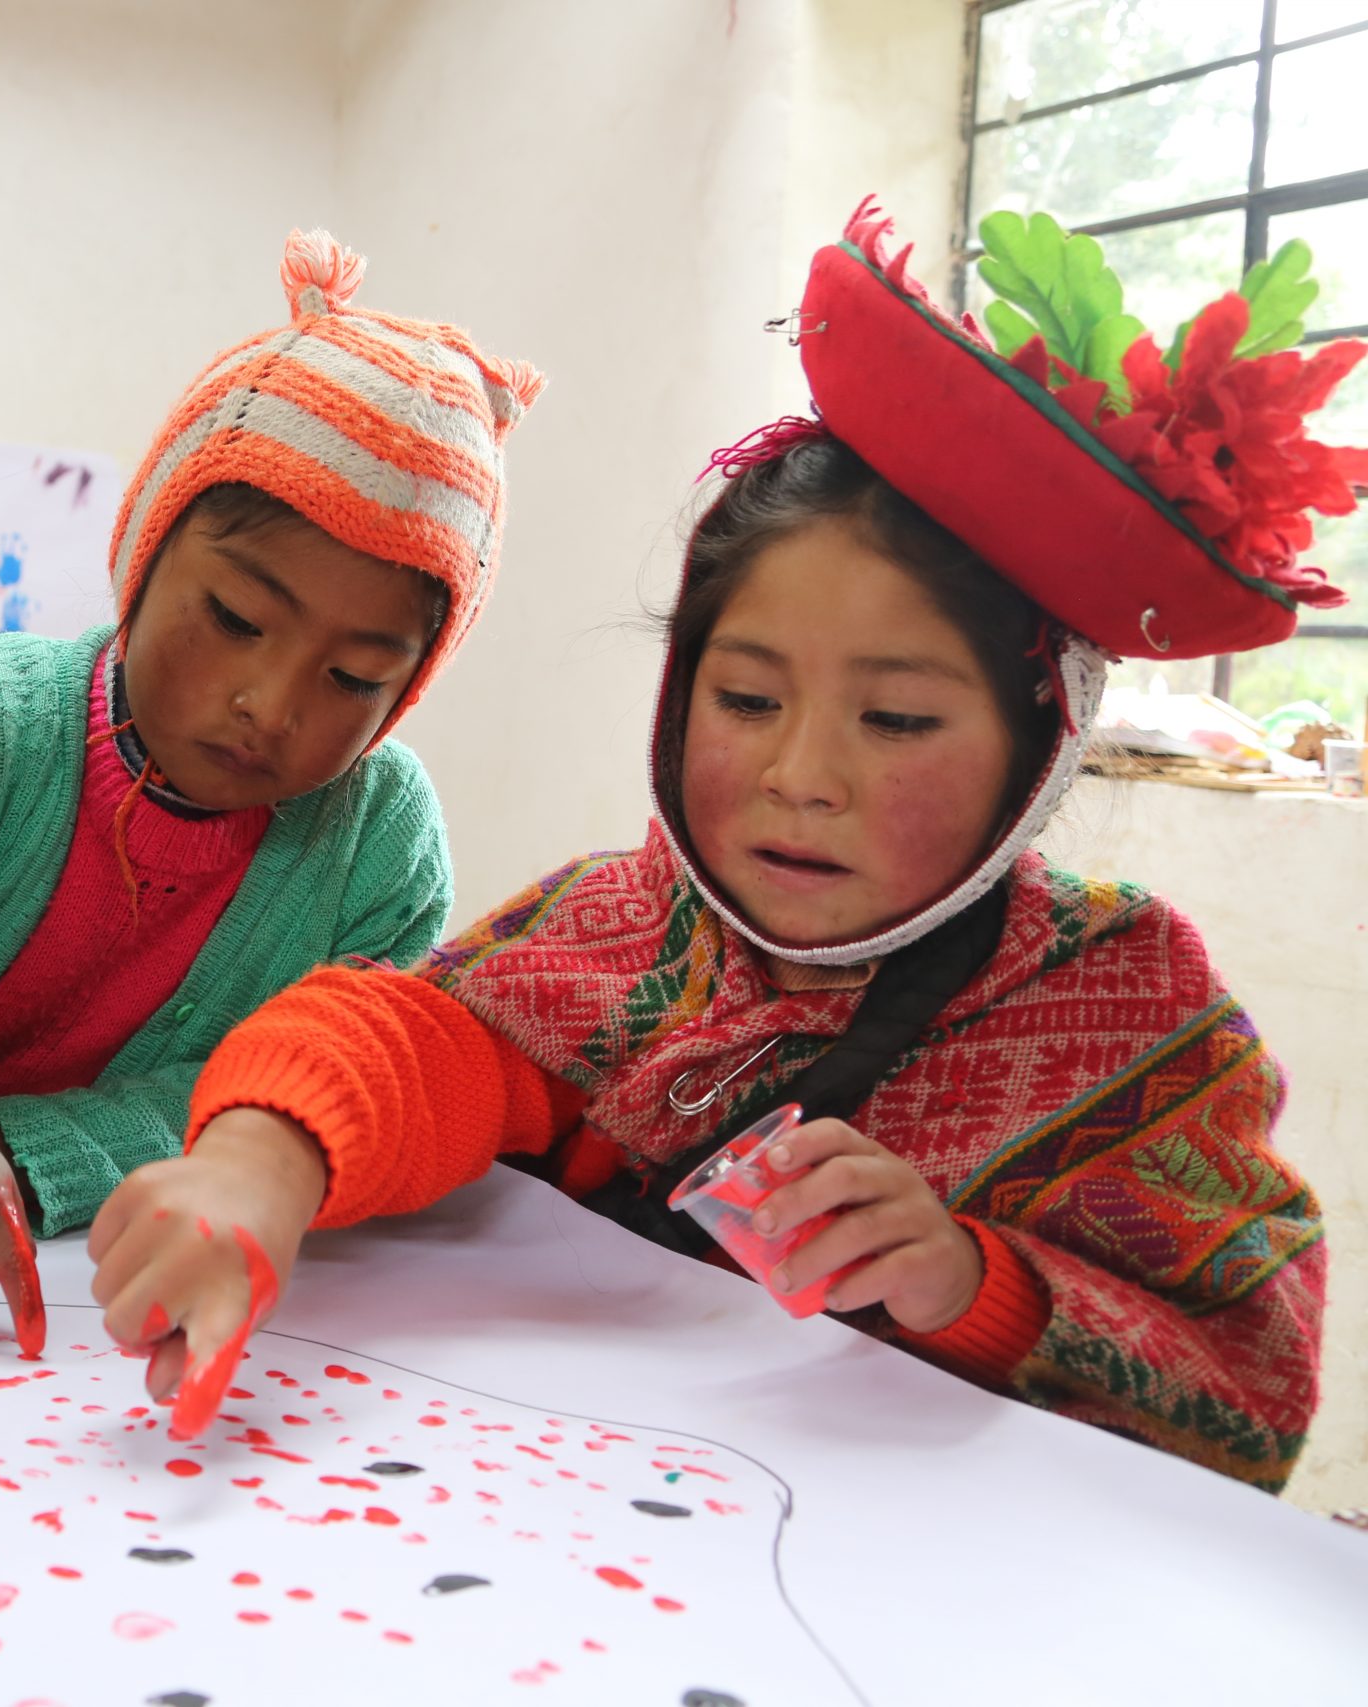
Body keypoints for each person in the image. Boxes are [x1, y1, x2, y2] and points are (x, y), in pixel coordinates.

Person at [91, 201, 1347, 1492]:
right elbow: (403, 1041)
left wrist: (975, 1283)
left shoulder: (1126, 1001)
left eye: (899, 718)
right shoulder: (614, 928)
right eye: (746, 700)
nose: (801, 778)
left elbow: (1251, 1388)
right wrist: (258, 1160)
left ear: (1040, 746)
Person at [0, 230, 544, 1331]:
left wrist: (20, 1151)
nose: (271, 704)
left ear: (409, 689)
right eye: (235, 619)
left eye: (354, 675)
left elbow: (293, 1092)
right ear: (142, 550)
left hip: (105, 1295)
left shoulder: (378, 844)